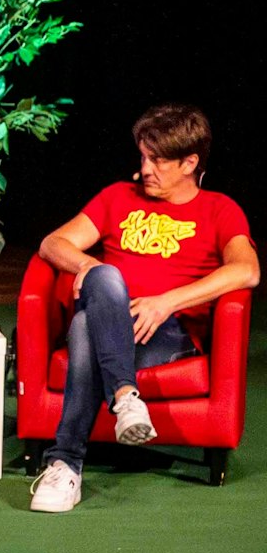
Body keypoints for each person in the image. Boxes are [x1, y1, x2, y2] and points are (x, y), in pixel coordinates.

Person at [29, 104, 257, 513]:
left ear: (189, 163)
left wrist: (165, 302)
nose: (144, 168)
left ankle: (64, 464)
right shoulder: (117, 197)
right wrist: (88, 265)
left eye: (157, 159)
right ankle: (125, 397)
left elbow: (247, 270)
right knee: (106, 280)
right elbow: (52, 243)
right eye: (143, 156)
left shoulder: (220, 209)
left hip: (166, 332)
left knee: (83, 328)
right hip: (110, 312)